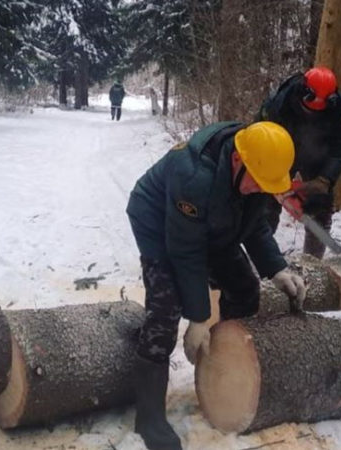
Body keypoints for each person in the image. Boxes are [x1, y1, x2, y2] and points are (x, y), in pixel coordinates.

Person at [126, 121, 307, 449]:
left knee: (245, 288)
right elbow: (186, 252)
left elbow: (253, 227)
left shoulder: (256, 171)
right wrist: (198, 317)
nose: (260, 189)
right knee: (166, 311)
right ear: (237, 160)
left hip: (211, 222)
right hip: (158, 223)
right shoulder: (194, 178)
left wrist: (276, 268)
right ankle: (148, 416)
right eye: (257, 183)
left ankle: (223, 366)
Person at [255, 66, 341, 258]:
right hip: (279, 151)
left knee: (321, 207)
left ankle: (313, 263)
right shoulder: (279, 104)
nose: (312, 111)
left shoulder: (336, 109)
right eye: (309, 105)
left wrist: (324, 180)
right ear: (303, 92)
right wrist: (275, 182)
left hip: (317, 156)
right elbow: (260, 136)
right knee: (265, 208)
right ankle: (262, 256)